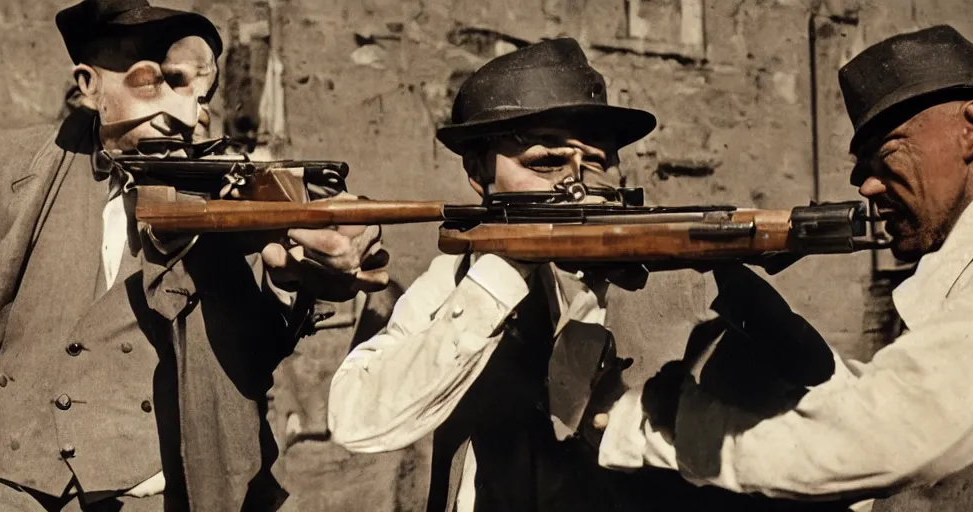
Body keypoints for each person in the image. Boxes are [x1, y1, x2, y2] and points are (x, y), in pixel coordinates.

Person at [0, 1, 387, 510]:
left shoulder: (227, 192)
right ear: (90, 87)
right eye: (156, 82)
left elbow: (265, 321)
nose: (188, 113)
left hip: (163, 498)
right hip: (0, 494)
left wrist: (309, 271)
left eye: (197, 92)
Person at [593, 25, 973, 511]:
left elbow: (893, 432)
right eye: (861, 171)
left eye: (887, 154)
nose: (867, 189)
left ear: (972, 128)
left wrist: (659, 429)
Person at [326, 38, 830, 512]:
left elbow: (816, 412)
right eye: (545, 161)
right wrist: (502, 274)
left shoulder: (693, 277)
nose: (574, 183)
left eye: (595, 161)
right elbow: (357, 420)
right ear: (478, 172)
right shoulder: (455, 281)